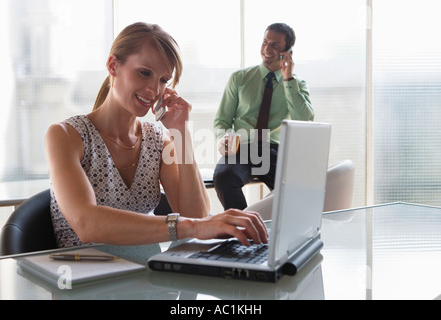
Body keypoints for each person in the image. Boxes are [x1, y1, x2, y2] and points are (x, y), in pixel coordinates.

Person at [44, 22, 267, 248]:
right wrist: (192, 226)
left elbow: (197, 215)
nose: (154, 90)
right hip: (82, 274)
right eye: (144, 73)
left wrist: (181, 133)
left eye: (163, 80)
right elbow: (87, 225)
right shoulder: (65, 136)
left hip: (144, 272)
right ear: (113, 66)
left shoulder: (158, 140)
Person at [213, 23, 314, 210]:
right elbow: (222, 120)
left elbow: (305, 120)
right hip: (242, 147)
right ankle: (243, 228)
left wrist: (288, 80)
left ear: (287, 51)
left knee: (298, 189)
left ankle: (281, 233)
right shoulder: (240, 78)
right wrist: (223, 139)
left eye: (275, 45)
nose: (267, 49)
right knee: (224, 177)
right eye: (265, 42)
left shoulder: (296, 84)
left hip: (275, 150)